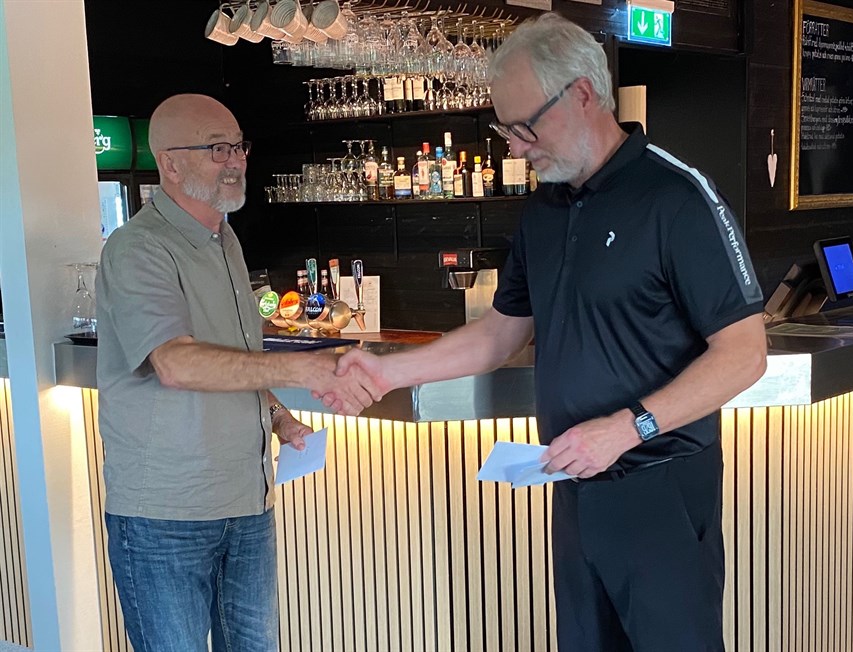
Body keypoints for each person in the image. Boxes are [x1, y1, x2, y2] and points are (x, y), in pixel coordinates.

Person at [334, 13, 767, 651]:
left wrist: (626, 429)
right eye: (505, 129)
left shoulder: (676, 197)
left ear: (583, 94)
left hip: (662, 487)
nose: (515, 148)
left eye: (524, 127)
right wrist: (386, 370)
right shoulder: (545, 208)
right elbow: (500, 334)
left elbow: (745, 354)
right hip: (573, 482)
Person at [96, 94, 380, 651]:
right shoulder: (137, 249)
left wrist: (278, 417)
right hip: (167, 515)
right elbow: (175, 363)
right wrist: (306, 367)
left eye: (238, 146)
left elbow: (232, 359)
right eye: (216, 149)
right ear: (169, 163)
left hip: (247, 503)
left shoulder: (224, 239)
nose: (235, 161)